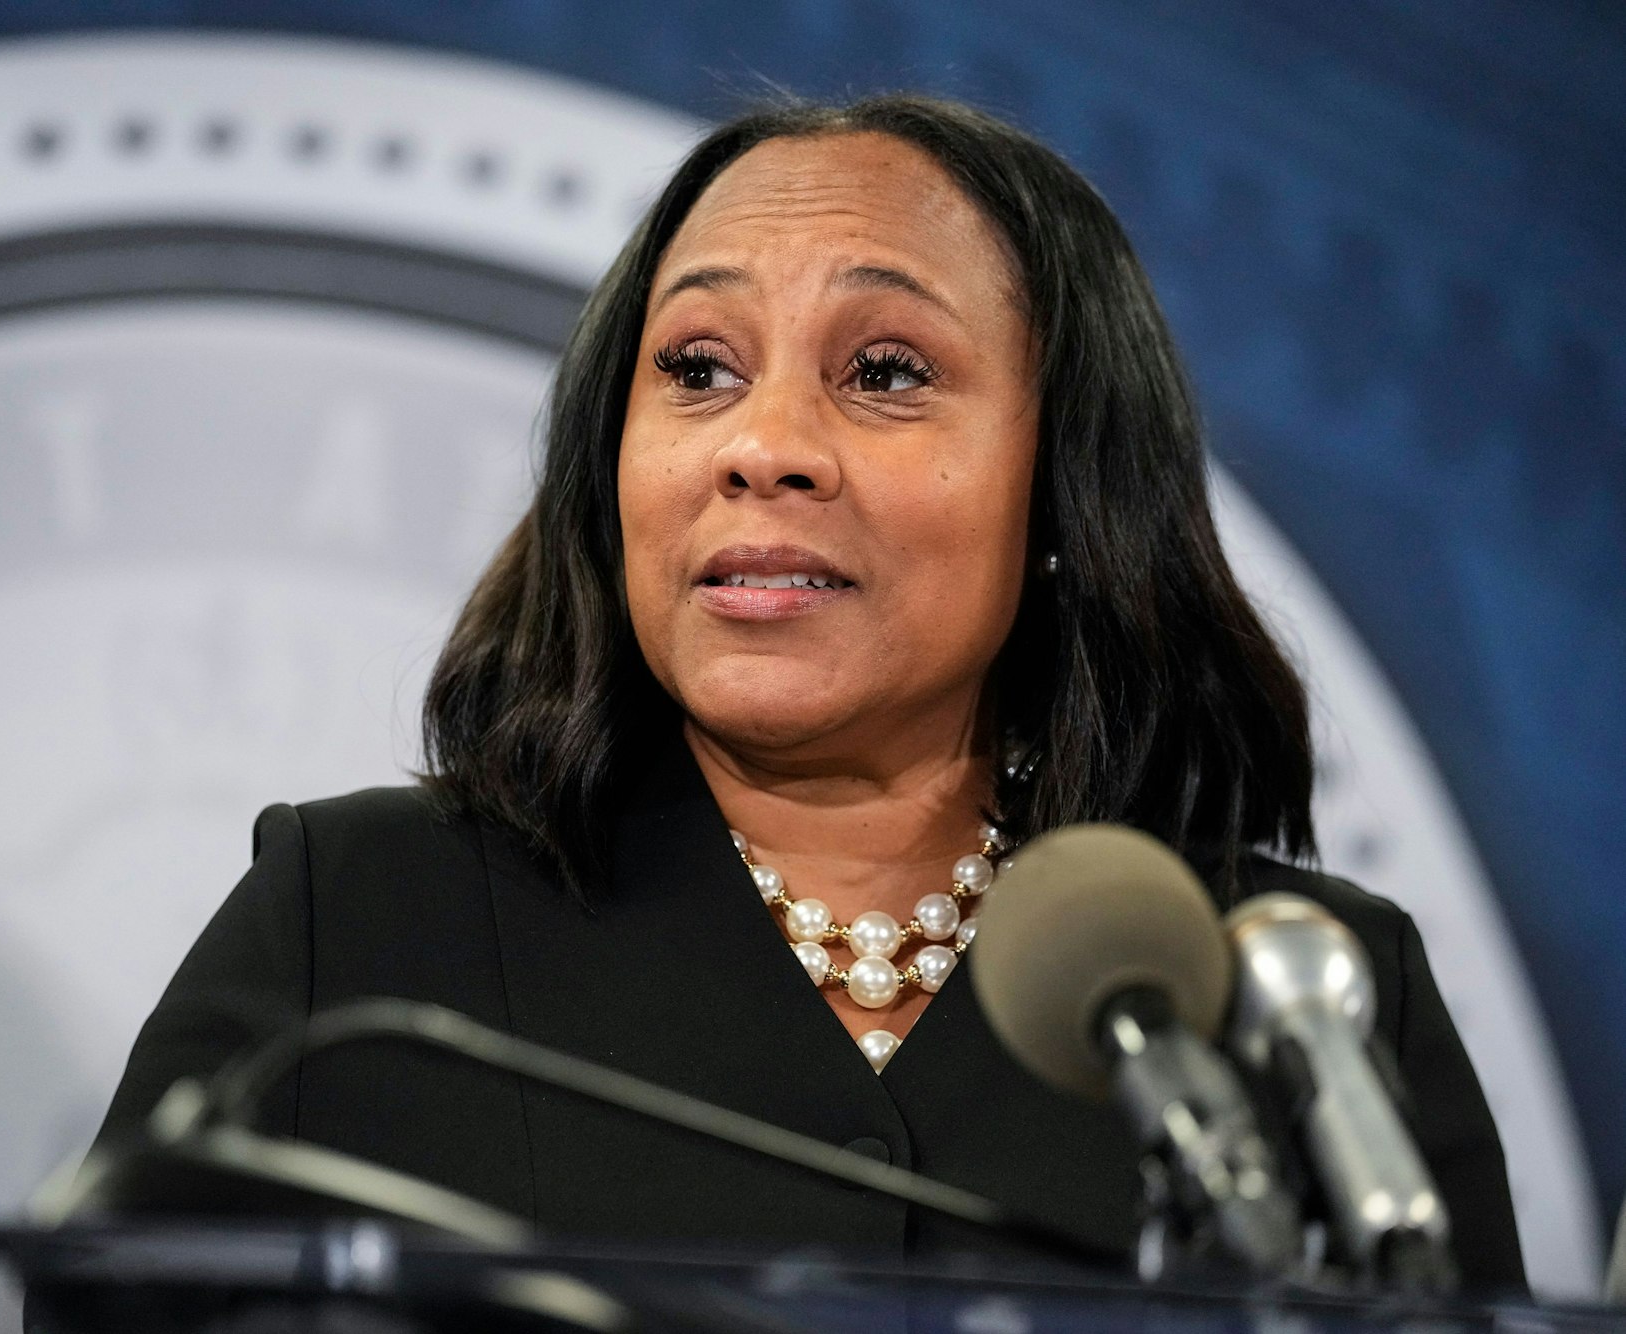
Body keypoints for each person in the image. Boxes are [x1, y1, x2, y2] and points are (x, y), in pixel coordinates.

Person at [93, 95, 1525, 1289]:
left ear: (1064, 485)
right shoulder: (354, 929)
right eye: (698, 369)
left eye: (886, 371)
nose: (764, 445)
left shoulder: (1305, 998)